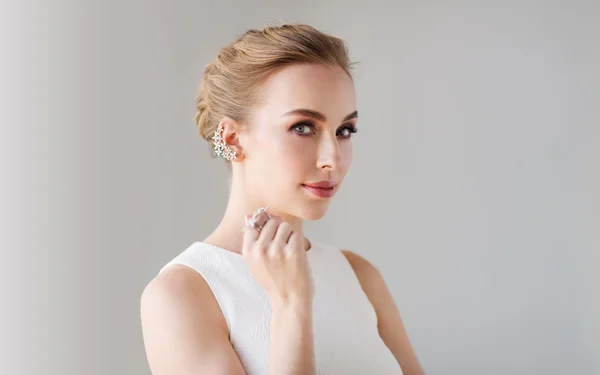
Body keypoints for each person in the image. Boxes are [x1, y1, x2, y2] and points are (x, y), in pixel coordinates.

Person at [140, 23, 424, 375]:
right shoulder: (182, 294)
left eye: (344, 130)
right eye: (303, 127)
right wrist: (291, 304)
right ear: (231, 139)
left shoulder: (359, 275)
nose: (332, 158)